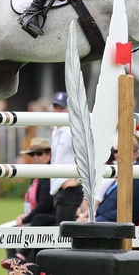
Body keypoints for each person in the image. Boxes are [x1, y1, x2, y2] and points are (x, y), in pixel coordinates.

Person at [1, 137, 54, 269]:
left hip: (47, 218)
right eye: (32, 154)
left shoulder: (49, 175)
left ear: (49, 154)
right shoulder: (36, 175)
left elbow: (46, 205)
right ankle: (15, 263)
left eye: (39, 153)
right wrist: (23, 217)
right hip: (36, 218)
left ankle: (20, 258)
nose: (35, 157)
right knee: (10, 232)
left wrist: (25, 219)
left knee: (34, 222)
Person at [77, 138, 139, 225]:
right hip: (102, 222)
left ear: (134, 155)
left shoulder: (138, 177)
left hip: (115, 227)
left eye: (122, 151)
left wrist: (95, 221)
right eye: (116, 151)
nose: (117, 155)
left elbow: (128, 210)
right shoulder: (119, 173)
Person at [48, 92, 85, 224]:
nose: (57, 111)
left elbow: (91, 155)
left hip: (69, 189)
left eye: (61, 108)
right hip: (59, 188)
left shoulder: (72, 131)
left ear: (69, 109)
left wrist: (78, 180)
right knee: (62, 234)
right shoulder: (55, 130)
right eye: (55, 107)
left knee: (65, 237)